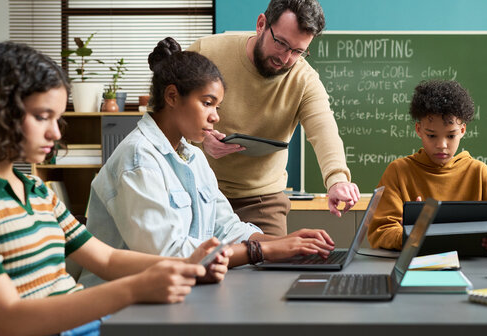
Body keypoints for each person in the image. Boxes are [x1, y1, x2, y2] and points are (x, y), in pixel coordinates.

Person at [0, 41, 231, 336]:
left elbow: (106, 258)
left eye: (57, 119)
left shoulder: (37, 191)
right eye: (42, 117)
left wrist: (187, 264)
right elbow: (8, 319)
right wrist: (135, 289)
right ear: (1, 111)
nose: (55, 133)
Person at [81, 37, 335, 286]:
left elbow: (225, 227)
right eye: (207, 103)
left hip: (173, 296)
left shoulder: (193, 157)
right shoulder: (138, 159)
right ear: (172, 97)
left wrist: (283, 242)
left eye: (218, 107)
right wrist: (261, 251)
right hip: (119, 307)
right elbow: (168, 255)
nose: (215, 117)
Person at [187, 0, 360, 236]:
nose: (286, 57)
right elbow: (163, 116)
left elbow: (324, 132)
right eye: (281, 43)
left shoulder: (304, 79)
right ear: (261, 24)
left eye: (298, 51)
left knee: (271, 272)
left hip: (261, 201)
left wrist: (337, 181)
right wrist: (201, 141)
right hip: (195, 191)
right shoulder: (205, 52)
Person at [367, 79, 487, 255]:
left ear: (462, 131)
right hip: (416, 270)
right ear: (418, 130)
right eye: (431, 135)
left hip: (475, 271)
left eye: (451, 136)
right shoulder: (398, 171)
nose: (442, 145)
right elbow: (380, 232)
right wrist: (410, 234)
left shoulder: (479, 172)